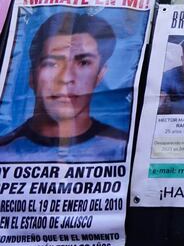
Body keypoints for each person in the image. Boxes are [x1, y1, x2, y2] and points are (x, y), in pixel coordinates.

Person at [0, 12, 127, 163]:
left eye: (84, 63)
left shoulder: (124, 148)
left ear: (100, 75)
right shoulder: (3, 150)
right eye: (52, 63)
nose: (66, 78)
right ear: (32, 75)